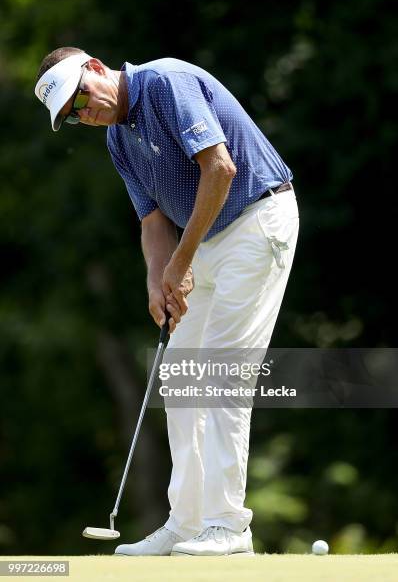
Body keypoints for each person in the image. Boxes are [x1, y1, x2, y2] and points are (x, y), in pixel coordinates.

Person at [34, 47, 299, 556]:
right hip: (208, 240)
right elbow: (153, 220)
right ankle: (187, 521)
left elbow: (219, 169)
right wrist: (159, 279)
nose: (82, 113)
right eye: (71, 116)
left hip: (257, 219)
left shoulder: (164, 82)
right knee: (180, 376)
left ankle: (229, 525)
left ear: (94, 68)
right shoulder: (118, 139)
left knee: (223, 371)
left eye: (80, 98)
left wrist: (181, 262)